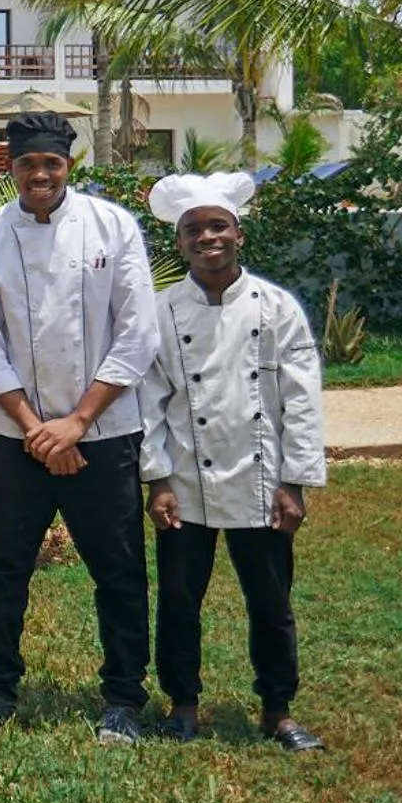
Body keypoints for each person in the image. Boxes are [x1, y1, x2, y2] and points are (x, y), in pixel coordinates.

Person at [0, 113, 161, 743]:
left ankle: (124, 698)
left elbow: (138, 332)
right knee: (4, 565)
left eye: (51, 163)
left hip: (103, 432)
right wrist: (35, 428)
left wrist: (76, 422)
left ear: (69, 165)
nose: (39, 174)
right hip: (16, 436)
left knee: (119, 569)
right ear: (11, 169)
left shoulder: (113, 226)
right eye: (27, 164)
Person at [139, 172, 327, 752]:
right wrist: (157, 478)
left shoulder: (277, 307)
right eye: (194, 230)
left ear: (238, 234)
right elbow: (148, 400)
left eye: (217, 226)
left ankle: (277, 710)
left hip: (262, 479)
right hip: (187, 481)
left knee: (270, 601)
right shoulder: (161, 311)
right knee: (177, 599)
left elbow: (301, 399)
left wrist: (295, 482)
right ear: (179, 243)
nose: (207, 237)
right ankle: (182, 704)